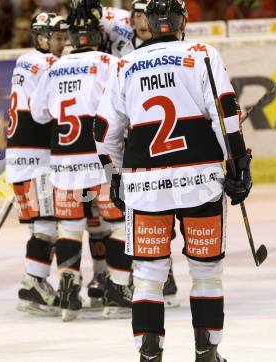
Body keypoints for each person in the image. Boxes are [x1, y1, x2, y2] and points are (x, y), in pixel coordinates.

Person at [94, 0, 251, 360]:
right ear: (183, 20)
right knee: (207, 271)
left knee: (148, 275)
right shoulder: (201, 53)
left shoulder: (126, 64)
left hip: (145, 186)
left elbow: (103, 132)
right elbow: (224, 112)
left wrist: (115, 176)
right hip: (201, 181)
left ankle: (149, 354)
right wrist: (238, 162)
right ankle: (207, 352)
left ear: (148, 22)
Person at [30, 20, 134, 322]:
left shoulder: (55, 67)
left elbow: (39, 114)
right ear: (100, 38)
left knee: (70, 228)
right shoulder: (108, 61)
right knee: (121, 224)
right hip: (101, 160)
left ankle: (68, 293)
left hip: (63, 163)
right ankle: (115, 290)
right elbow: (125, 104)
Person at [99, 0, 179, 308]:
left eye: (147, 15)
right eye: (138, 15)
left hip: (155, 142)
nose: (141, 21)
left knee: (161, 209)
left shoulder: (172, 47)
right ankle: (114, 278)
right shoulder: (120, 40)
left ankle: (159, 270)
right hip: (133, 142)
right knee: (134, 215)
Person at [6, 12, 69, 315]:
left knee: (43, 223)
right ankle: (33, 284)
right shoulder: (49, 64)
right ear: (41, 37)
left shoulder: (25, 61)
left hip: (21, 155)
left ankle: (36, 282)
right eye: (56, 37)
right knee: (47, 224)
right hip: (38, 156)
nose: (62, 43)